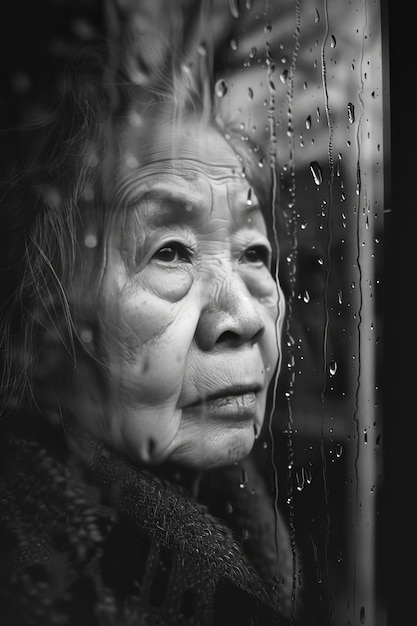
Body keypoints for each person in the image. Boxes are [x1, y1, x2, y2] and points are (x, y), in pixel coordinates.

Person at [0, 12, 303, 626]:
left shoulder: (240, 527)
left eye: (253, 252)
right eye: (170, 251)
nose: (242, 317)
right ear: (51, 312)